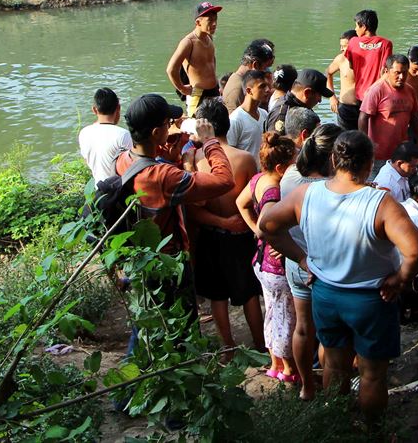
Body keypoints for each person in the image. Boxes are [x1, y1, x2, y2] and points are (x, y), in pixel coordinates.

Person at [258, 130, 418, 422]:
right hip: (371, 300)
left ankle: (336, 425)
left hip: (326, 295)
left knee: (334, 367)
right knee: (372, 374)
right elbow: (417, 252)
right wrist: (400, 278)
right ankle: (372, 430)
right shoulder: (381, 203)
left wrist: (302, 258)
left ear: (334, 160)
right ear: (370, 163)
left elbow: (267, 226)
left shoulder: (306, 194)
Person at [115, 94, 234, 318]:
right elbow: (224, 180)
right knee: (181, 323)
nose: (171, 127)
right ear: (155, 133)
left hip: (143, 258)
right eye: (167, 123)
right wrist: (210, 142)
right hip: (169, 264)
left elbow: (151, 165)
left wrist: (172, 152)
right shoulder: (163, 176)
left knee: (153, 319)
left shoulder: (123, 160)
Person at [189, 100, 264, 353]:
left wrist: (220, 222)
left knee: (217, 295)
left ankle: (228, 349)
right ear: (228, 124)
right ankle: (260, 345)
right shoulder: (244, 158)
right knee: (249, 293)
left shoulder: (196, 159)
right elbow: (253, 200)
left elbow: (193, 208)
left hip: (210, 233)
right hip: (240, 233)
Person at [279, 122, 343, 400]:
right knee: (330, 333)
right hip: (323, 268)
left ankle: (306, 387)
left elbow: (269, 226)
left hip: (296, 261)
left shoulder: (290, 176)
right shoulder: (327, 189)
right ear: (334, 158)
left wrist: (299, 256)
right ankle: (330, 394)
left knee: (303, 327)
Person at [237, 132, 298, 383]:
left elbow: (241, 203)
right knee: (286, 318)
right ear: (281, 167)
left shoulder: (258, 179)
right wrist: (273, 239)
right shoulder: (274, 189)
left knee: (273, 313)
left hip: (261, 262)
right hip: (276, 267)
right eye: (294, 163)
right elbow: (266, 225)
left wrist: (256, 232)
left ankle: (274, 363)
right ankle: (289, 369)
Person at [358, 54, 418, 173]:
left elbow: (414, 117)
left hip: (401, 153)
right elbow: (363, 118)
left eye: (405, 73)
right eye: (397, 73)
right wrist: (365, 145)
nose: (401, 77)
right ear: (387, 71)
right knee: (377, 182)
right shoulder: (377, 90)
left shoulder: (410, 90)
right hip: (379, 154)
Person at [166, 2, 222, 116]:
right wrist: (182, 88)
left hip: (215, 91)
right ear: (198, 22)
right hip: (198, 94)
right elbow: (171, 69)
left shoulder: (209, 37)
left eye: (215, 19)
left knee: (218, 124)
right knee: (198, 125)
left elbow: (211, 62)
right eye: (210, 20)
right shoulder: (188, 42)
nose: (214, 24)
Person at [78, 87, 132, 182]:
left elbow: (87, 161)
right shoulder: (123, 135)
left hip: (98, 187)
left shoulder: (84, 133)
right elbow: (134, 166)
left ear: (94, 110)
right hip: (120, 188)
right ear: (118, 108)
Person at [345, 9, 393, 105]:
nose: (355, 29)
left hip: (360, 95)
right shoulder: (386, 44)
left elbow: (351, 66)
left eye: (356, 26)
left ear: (364, 27)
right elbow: (385, 71)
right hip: (379, 95)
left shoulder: (353, 42)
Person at [265, 68, 333, 134]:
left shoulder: (303, 106)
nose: (320, 100)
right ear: (307, 93)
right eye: (319, 95)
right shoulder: (281, 114)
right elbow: (274, 141)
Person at [226, 70, 270, 162]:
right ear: (249, 91)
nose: (267, 90)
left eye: (267, 86)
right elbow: (230, 153)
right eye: (262, 86)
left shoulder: (264, 114)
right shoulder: (235, 120)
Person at [222, 41, 275, 113]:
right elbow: (234, 119)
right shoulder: (237, 90)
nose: (267, 73)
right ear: (255, 65)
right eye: (266, 68)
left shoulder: (246, 81)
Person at [327, 29, 360, 130]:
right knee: (345, 138)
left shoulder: (368, 60)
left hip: (365, 108)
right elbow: (328, 73)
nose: (341, 49)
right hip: (346, 108)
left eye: (345, 46)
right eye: (341, 46)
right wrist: (332, 97)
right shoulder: (340, 59)